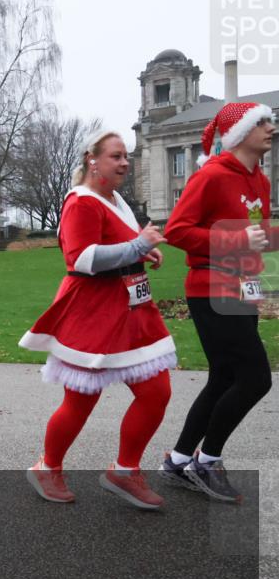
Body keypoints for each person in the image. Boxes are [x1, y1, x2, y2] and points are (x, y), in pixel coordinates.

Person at [19, 130, 175, 510]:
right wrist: (137, 246)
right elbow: (82, 258)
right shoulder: (80, 202)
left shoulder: (116, 200)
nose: (124, 163)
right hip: (93, 313)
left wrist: (140, 253)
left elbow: (118, 246)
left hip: (132, 311)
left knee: (156, 393)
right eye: (115, 156)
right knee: (80, 402)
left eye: (126, 156)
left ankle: (124, 471)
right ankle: (47, 467)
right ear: (93, 160)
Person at [159, 102, 277, 502]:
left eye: (270, 121)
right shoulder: (210, 176)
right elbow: (176, 230)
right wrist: (235, 240)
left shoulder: (261, 182)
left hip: (243, 287)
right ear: (240, 132)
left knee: (225, 378)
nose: (271, 127)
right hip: (211, 286)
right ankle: (206, 461)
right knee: (256, 378)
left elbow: (259, 237)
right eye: (261, 122)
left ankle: (178, 460)